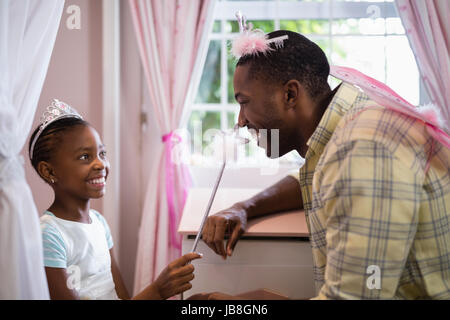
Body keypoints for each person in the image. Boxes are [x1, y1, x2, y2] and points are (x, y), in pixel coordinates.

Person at [201, 29, 450, 299]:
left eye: (244, 102)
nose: (241, 121)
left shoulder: (365, 149)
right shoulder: (347, 124)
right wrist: (245, 208)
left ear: (290, 95)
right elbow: (313, 178)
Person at [29, 99, 201, 300]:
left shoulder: (99, 223)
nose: (100, 164)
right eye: (85, 157)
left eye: (102, 153)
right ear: (48, 170)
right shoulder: (49, 235)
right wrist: (157, 291)